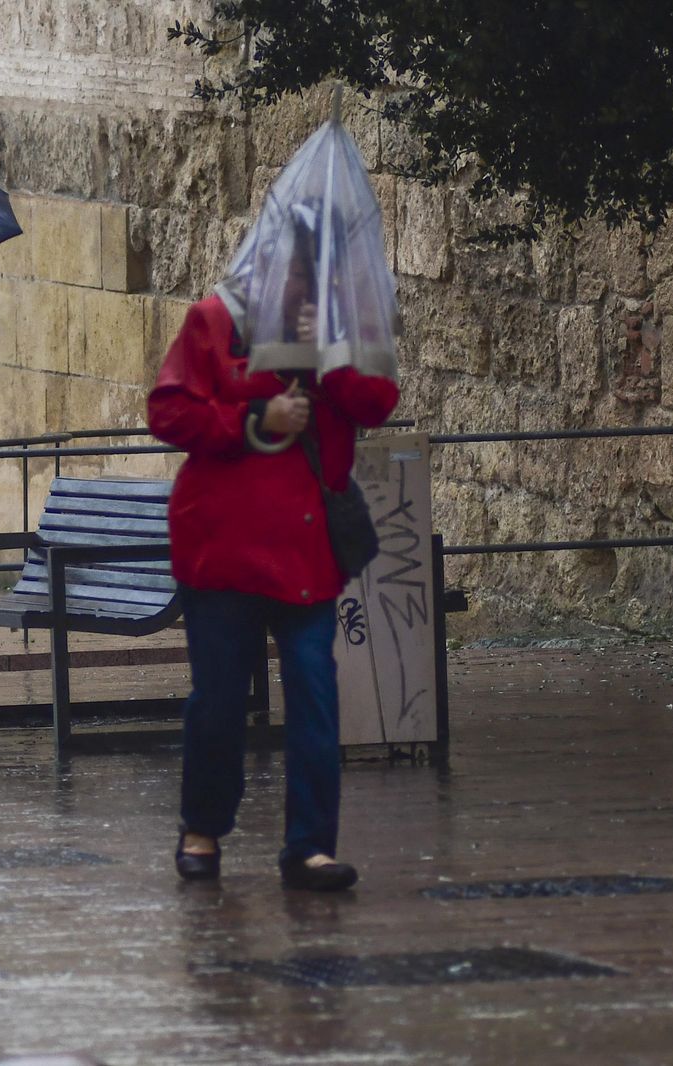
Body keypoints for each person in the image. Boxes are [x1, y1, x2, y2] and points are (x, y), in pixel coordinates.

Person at [146, 222, 399, 890]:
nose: (302, 287)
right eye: (293, 272)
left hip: (306, 552)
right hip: (221, 549)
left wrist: (332, 356)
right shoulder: (213, 321)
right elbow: (168, 412)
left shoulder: (340, 334)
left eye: (316, 275)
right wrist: (256, 421)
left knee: (315, 693)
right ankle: (202, 827)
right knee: (220, 700)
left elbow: (379, 402)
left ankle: (310, 846)